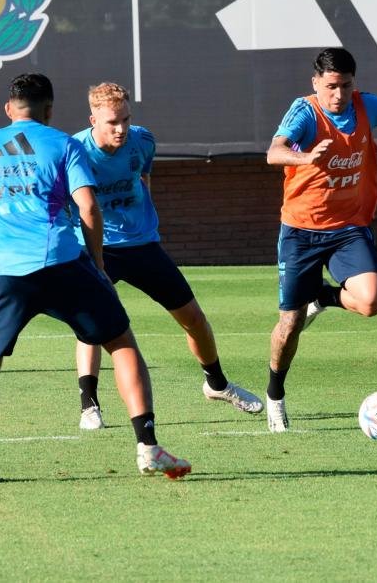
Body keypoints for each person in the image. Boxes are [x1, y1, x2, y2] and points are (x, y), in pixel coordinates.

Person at [0, 73, 191, 484]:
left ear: (8, 109)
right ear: (50, 110)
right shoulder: (64, 144)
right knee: (121, 342)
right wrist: (97, 265)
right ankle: (148, 448)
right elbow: (89, 209)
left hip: (2, 271)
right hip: (61, 262)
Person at [69, 82, 262, 431]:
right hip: (97, 249)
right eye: (112, 122)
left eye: (126, 119)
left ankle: (217, 384)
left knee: (194, 318)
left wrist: (144, 224)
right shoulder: (73, 151)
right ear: (92, 118)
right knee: (90, 327)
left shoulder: (143, 141)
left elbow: (143, 178)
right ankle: (89, 405)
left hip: (142, 245)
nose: (121, 128)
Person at [264, 47, 377, 432]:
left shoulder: (365, 106)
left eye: (345, 85)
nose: (338, 94)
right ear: (316, 83)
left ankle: (325, 296)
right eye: (331, 86)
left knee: (372, 301)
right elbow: (274, 153)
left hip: (349, 228)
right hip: (301, 230)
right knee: (290, 323)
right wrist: (305, 159)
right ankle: (275, 395)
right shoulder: (304, 112)